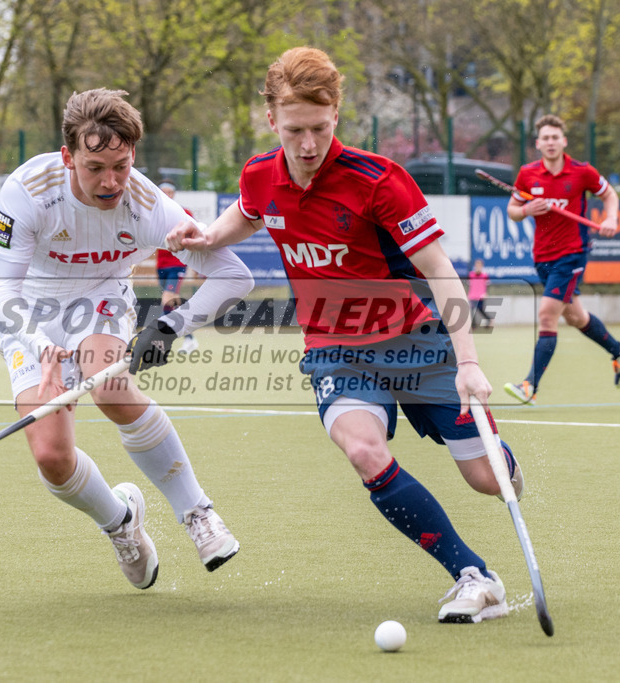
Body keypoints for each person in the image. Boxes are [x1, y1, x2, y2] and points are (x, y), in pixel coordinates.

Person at [168, 47, 521, 623]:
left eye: (319, 128)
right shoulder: (262, 173)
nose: (307, 145)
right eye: (294, 131)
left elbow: (440, 270)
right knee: (363, 450)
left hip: (417, 341)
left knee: (487, 478)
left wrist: (470, 363)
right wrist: (208, 236)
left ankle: (498, 458)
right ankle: (472, 575)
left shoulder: (380, 180)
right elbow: (250, 211)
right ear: (272, 121)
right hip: (335, 348)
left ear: (337, 114)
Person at [0, 88, 254, 589]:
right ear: (68, 157)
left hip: (101, 299)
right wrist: (32, 339)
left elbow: (235, 277)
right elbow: (2, 284)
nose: (110, 182)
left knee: (107, 384)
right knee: (51, 456)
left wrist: (175, 325)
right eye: (94, 167)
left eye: (122, 165)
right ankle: (120, 521)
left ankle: (197, 512)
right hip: (29, 311)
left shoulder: (148, 204)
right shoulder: (27, 189)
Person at [503, 115, 620, 405]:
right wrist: (527, 211)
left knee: (547, 314)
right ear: (538, 144)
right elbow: (512, 208)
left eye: (555, 137)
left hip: (572, 253)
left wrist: (611, 218)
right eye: (545, 138)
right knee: (576, 317)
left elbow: (609, 194)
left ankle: (529, 386)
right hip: (542, 257)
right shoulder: (527, 174)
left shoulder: (582, 172)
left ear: (564, 141)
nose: (550, 143)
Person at [155, 179, 199, 354]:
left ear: (173, 194)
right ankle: (190, 339)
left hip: (177, 264)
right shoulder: (154, 215)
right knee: (172, 305)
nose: (166, 195)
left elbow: (195, 237)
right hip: (162, 266)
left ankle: (159, 340)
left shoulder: (184, 213)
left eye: (169, 192)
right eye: (163, 192)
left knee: (167, 299)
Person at [468, 259, 493, 330]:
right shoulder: (471, 275)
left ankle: (489, 320)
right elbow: (470, 285)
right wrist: (468, 294)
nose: (478, 267)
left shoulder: (484, 275)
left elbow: (487, 285)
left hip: (481, 296)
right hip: (473, 295)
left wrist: (486, 293)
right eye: (477, 265)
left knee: (480, 309)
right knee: (472, 310)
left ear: (482, 266)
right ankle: (473, 326)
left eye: (479, 265)